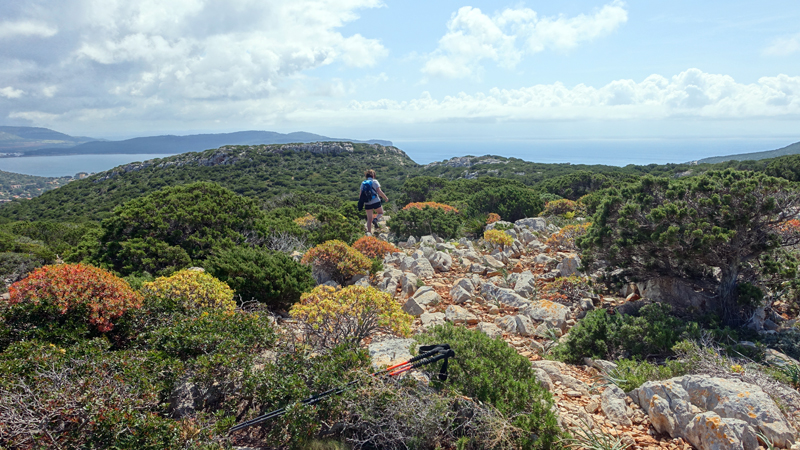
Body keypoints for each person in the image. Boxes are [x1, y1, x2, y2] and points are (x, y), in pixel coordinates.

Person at [359, 169, 388, 234]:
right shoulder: (375, 181)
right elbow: (379, 191)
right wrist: (385, 198)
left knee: (369, 219)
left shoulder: (363, 183)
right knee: (381, 213)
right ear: (373, 176)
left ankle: (369, 233)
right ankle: (375, 219)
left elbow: (360, 195)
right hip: (375, 201)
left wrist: (362, 202)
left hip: (367, 203)